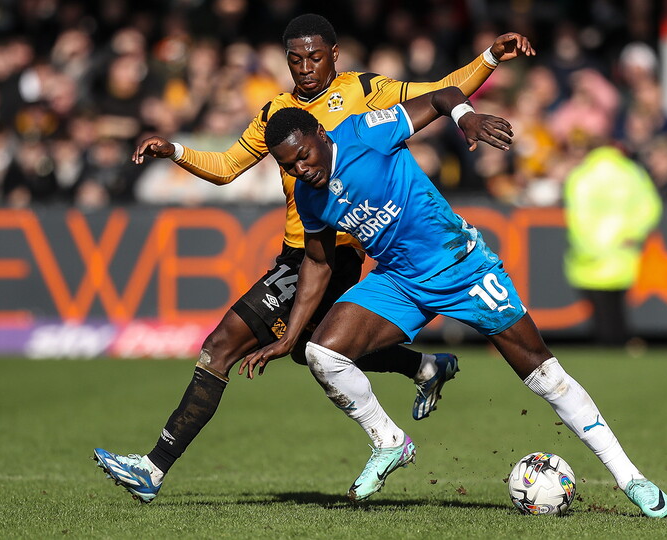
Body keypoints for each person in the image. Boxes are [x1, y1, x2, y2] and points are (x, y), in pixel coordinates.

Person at [92, 13, 536, 504]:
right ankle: (424, 368)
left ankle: (152, 469)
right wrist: (175, 149)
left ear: (334, 55)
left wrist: (491, 57)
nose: (305, 67)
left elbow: (443, 89)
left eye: (314, 57)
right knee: (313, 349)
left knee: (222, 345)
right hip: (297, 251)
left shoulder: (364, 90)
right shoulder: (275, 114)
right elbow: (225, 169)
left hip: (328, 254)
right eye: (295, 59)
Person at [238, 88, 667, 516]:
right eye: (288, 164)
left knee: (546, 375)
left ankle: (630, 478)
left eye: (303, 155)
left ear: (319, 132)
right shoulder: (308, 196)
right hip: (400, 281)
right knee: (322, 354)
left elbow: (441, 96)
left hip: (463, 266)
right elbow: (316, 263)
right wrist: (289, 337)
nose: (301, 168)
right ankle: (389, 441)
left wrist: (466, 117)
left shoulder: (366, 133)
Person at [563, 141, 661, 346]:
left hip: (588, 255)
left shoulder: (581, 174)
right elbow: (650, 207)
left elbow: (575, 216)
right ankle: (619, 342)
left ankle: (605, 342)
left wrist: (587, 245)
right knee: (617, 308)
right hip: (621, 252)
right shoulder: (632, 172)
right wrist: (633, 233)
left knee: (599, 312)